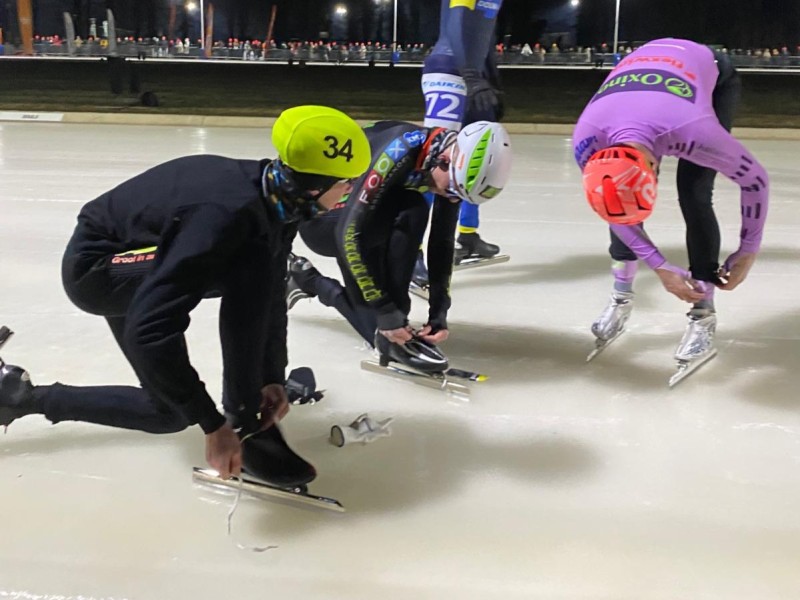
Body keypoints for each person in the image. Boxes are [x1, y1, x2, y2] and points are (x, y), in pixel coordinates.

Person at [0, 105, 370, 484]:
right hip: (96, 271)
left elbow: (272, 296)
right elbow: (151, 331)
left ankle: (18, 397)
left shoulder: (277, 199)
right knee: (248, 264)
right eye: (346, 183)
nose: (349, 192)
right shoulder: (226, 216)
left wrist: (271, 375)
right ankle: (243, 421)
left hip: (137, 250)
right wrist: (214, 425)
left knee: (169, 413)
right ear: (313, 187)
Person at [573, 38, 769, 371]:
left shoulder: (694, 131)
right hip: (649, 78)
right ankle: (621, 295)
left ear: (653, 167)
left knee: (694, 192)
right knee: (615, 197)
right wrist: (659, 265)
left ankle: (703, 312)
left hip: (709, 73)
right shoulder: (587, 141)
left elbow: (756, 181)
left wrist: (748, 250)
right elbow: (614, 212)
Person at [287, 120, 512, 368]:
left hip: (365, 216)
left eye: (458, 196)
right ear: (446, 160)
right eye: (452, 190)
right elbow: (347, 234)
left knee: (411, 207)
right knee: (413, 208)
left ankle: (307, 280)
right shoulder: (400, 149)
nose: (450, 198)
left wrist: (439, 310)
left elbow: (442, 242)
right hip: (324, 221)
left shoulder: (449, 164)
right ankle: (310, 280)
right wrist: (386, 310)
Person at [413, 0, 506, 287]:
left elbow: (485, 34)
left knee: (475, 154)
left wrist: (492, 80)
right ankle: (410, 250)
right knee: (435, 162)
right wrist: (471, 77)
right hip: (449, 70)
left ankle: (468, 233)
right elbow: (456, 23)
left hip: (473, 73)